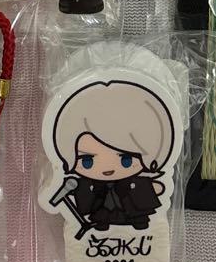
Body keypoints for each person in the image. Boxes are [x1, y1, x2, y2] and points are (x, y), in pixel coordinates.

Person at [49, 79, 174, 233]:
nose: (107, 168)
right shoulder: (90, 184)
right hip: (101, 210)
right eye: (87, 161)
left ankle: (136, 222)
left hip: (131, 208)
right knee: (101, 215)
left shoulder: (135, 180)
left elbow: (150, 186)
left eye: (126, 159)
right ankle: (103, 224)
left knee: (135, 214)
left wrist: (154, 187)